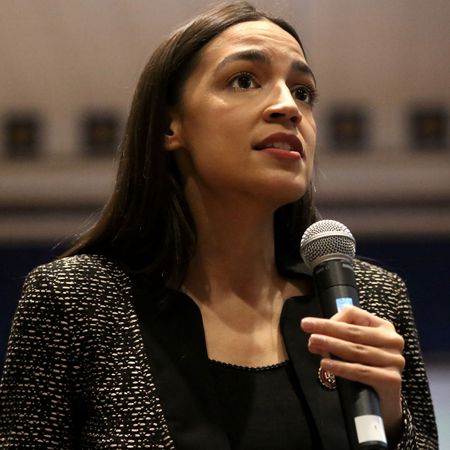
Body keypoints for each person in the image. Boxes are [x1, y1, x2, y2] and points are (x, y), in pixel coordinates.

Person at [0, 1, 438, 449]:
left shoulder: (373, 297)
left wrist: (390, 420)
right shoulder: (77, 300)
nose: (288, 106)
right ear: (170, 126)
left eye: (303, 92)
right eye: (244, 80)